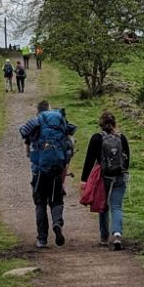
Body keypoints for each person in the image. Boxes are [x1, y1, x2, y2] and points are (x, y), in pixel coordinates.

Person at [19, 100, 76, 247]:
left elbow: (23, 131)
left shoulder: (37, 120)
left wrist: (32, 138)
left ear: (38, 110)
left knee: (40, 202)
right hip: (57, 166)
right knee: (57, 200)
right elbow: (71, 134)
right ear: (49, 109)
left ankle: (42, 239)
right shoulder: (60, 119)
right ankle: (57, 223)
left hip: (39, 169)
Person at [80, 110, 131, 247]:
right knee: (116, 206)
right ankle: (117, 234)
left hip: (103, 178)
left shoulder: (96, 138)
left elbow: (89, 160)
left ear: (100, 124)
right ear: (115, 123)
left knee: (103, 205)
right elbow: (126, 160)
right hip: (119, 177)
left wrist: (84, 180)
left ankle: (104, 237)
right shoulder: (122, 138)